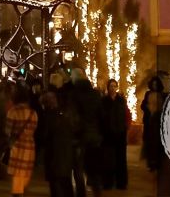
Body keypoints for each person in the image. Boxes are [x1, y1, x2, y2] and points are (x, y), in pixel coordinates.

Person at [68, 68, 103, 197]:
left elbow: (72, 117)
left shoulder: (73, 94)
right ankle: (97, 192)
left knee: (78, 168)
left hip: (79, 137)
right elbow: (101, 115)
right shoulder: (95, 94)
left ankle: (81, 194)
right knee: (93, 167)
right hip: (94, 136)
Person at [5, 81, 38, 197]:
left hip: (17, 147)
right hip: (29, 147)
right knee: (25, 177)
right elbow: (34, 129)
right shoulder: (33, 113)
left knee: (16, 178)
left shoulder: (13, 112)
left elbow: (8, 131)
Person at [40, 85, 74, 197]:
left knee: (57, 183)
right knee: (64, 180)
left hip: (55, 153)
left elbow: (45, 135)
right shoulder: (62, 114)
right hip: (62, 152)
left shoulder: (50, 116)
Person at [100, 79, 128, 190]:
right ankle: (108, 182)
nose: (113, 88)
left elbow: (124, 115)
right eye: (111, 86)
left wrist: (124, 128)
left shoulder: (121, 100)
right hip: (108, 134)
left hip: (120, 134)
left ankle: (121, 182)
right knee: (108, 159)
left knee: (120, 159)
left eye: (114, 86)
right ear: (108, 87)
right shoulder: (104, 101)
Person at [140, 75, 165, 173]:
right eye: (153, 84)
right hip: (149, 122)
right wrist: (147, 108)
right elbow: (143, 105)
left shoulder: (161, 94)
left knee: (158, 144)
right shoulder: (148, 94)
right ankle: (150, 164)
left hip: (158, 122)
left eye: (156, 84)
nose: (154, 86)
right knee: (149, 143)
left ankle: (158, 163)